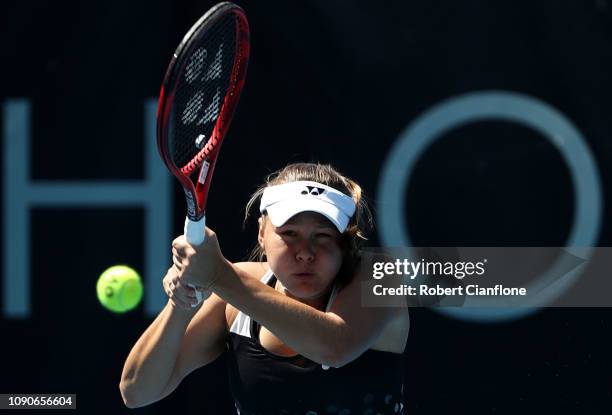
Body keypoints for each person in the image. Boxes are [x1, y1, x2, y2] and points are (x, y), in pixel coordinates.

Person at [120, 162, 410, 414]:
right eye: (289, 234)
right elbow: (136, 391)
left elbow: (334, 347)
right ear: (262, 233)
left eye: (322, 235)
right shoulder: (233, 293)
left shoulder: (382, 276)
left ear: (345, 244)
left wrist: (218, 276)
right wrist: (181, 302)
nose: (305, 252)